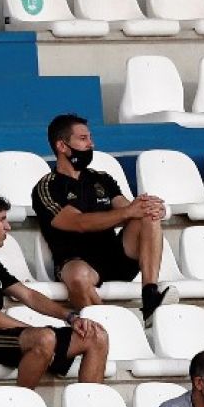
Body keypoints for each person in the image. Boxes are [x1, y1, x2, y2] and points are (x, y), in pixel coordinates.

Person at [0, 190, 107, 389]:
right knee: (43, 339)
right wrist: (30, 331)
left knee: (96, 337)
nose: (8, 227)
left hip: (0, 336)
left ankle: (90, 406)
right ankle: (21, 405)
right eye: (2, 220)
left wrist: (71, 317)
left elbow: (28, 295)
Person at [32, 113, 169, 323]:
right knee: (78, 276)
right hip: (75, 261)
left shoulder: (101, 178)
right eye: (83, 138)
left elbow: (128, 209)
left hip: (115, 255)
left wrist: (150, 207)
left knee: (148, 216)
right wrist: (128, 212)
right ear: (62, 146)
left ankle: (150, 295)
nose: (91, 144)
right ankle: (107, 327)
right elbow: (78, 223)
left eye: (90, 138)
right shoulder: (47, 187)